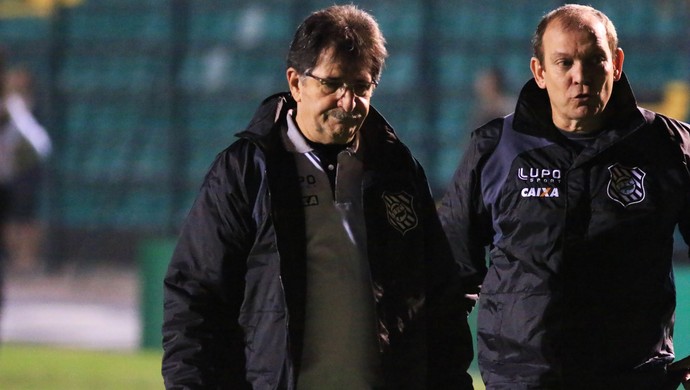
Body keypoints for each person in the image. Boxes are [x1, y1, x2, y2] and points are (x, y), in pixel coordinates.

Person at [162, 5, 474, 389]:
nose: (348, 101)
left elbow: (438, 297)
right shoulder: (245, 171)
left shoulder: (398, 172)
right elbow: (195, 298)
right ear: (296, 83)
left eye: (361, 87)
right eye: (332, 84)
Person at [438, 4, 690, 389]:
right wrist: (445, 376)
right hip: (521, 381)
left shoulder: (671, 147)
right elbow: (450, 276)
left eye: (594, 61)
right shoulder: (494, 149)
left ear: (617, 63)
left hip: (632, 380)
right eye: (564, 63)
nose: (580, 77)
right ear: (539, 72)